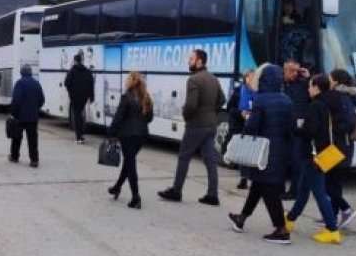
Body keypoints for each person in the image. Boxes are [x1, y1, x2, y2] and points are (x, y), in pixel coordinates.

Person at [228, 64, 293, 244]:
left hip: (262, 153)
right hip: (280, 152)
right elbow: (291, 129)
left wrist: (248, 120)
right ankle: (241, 218)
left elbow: (251, 128)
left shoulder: (261, 100)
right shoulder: (287, 100)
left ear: (263, 80)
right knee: (258, 185)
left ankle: (281, 229)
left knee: (269, 191)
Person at [158, 49, 225, 205]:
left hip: (196, 125)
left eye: (191, 59)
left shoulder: (194, 80)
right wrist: (211, 113)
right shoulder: (213, 78)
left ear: (199, 61)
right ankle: (212, 195)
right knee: (210, 160)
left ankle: (176, 190)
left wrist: (186, 116)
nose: (189, 61)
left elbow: (191, 105)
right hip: (211, 124)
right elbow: (222, 99)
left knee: (184, 156)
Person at [284, 74, 345, 243]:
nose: (308, 89)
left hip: (314, 155)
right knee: (304, 191)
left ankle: (332, 229)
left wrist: (295, 129)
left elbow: (310, 131)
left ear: (317, 87)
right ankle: (290, 219)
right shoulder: (327, 104)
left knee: (319, 193)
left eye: (310, 86)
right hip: (320, 154)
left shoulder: (316, 105)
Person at [107, 71, 154, 209]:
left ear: (131, 81)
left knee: (130, 164)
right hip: (141, 136)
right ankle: (117, 187)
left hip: (127, 135)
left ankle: (136, 197)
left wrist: (111, 133)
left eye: (127, 78)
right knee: (129, 161)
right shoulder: (146, 97)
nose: (126, 81)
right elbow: (149, 118)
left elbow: (118, 117)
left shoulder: (126, 97)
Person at [327, 69, 356, 228]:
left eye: (330, 78)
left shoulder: (340, 98)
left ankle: (346, 210)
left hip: (338, 146)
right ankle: (331, 215)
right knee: (333, 182)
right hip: (340, 146)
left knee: (328, 183)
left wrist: (332, 128)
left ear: (336, 81)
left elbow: (348, 122)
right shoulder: (345, 97)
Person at [282, 60, 311, 200]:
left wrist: (308, 78)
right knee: (282, 159)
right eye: (291, 70)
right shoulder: (279, 84)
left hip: (298, 129)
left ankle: (294, 191)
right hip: (282, 127)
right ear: (284, 70)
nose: (294, 74)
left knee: (296, 161)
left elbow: (317, 95)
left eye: (297, 71)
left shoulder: (304, 84)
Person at [9, 64, 44, 167]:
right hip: (33, 117)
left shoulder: (19, 83)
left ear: (21, 73)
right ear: (30, 72)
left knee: (16, 137)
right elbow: (41, 100)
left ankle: (14, 156)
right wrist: (35, 109)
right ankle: (34, 160)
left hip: (20, 116)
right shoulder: (36, 83)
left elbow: (16, 100)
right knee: (33, 139)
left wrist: (13, 113)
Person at [64, 52, 95, 143]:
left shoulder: (72, 71)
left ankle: (79, 137)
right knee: (80, 114)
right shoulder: (87, 71)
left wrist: (71, 91)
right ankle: (81, 135)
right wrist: (91, 96)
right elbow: (91, 84)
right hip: (84, 97)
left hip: (74, 97)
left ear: (75, 61)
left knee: (77, 115)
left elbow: (66, 83)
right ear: (81, 60)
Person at [280, 0, 311, 65]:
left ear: (293, 7)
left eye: (290, 6)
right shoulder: (279, 16)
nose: (288, 8)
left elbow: (297, 27)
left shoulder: (297, 17)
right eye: (286, 6)